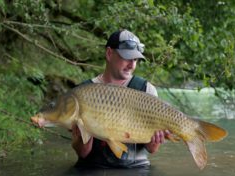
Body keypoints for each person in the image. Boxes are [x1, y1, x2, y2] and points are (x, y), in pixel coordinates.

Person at [72, 29, 171, 168]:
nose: (132, 65)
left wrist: (157, 139)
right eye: (127, 58)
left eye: (135, 59)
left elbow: (152, 149)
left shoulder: (146, 89)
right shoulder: (83, 93)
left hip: (136, 169)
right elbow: (83, 153)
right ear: (109, 53)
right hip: (93, 168)